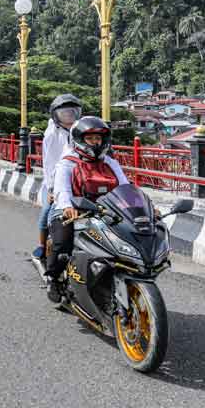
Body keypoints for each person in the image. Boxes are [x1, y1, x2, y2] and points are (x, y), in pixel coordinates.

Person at [45, 116, 129, 302]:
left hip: (104, 212)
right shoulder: (67, 162)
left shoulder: (110, 163)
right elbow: (62, 190)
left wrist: (139, 207)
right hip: (72, 211)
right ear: (79, 139)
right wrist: (67, 206)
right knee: (63, 242)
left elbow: (125, 187)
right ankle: (53, 278)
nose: (95, 142)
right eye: (90, 138)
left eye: (98, 138)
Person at [32, 94, 83, 260]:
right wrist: (52, 189)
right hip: (54, 180)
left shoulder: (80, 130)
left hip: (78, 178)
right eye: (64, 113)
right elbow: (49, 163)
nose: (68, 116)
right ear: (56, 115)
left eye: (72, 111)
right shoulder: (52, 134)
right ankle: (41, 245)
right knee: (47, 212)